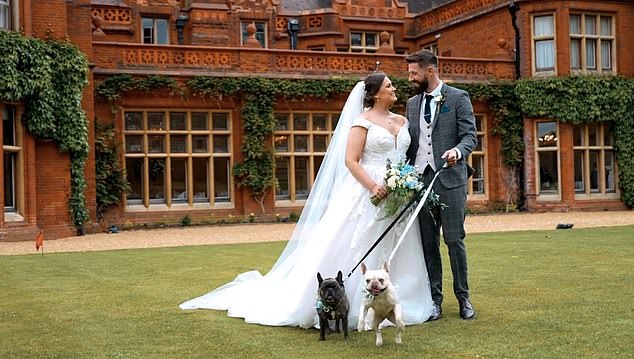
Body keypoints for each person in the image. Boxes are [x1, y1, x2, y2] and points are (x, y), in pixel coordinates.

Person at [180, 73, 434, 329]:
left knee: (398, 245)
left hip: (400, 191)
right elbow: (350, 160)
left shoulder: (402, 120)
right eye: (388, 86)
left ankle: (398, 302)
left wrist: (405, 181)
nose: (394, 89)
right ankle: (357, 304)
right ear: (376, 93)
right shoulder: (362, 122)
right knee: (357, 242)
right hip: (368, 190)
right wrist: (373, 186)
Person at [404, 50, 478, 321]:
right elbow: (410, 142)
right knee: (428, 243)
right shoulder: (412, 103)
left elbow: (471, 136)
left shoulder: (458, 98)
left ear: (430, 71)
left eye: (414, 73)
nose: (411, 77)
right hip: (420, 181)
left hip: (450, 180)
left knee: (454, 240)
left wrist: (458, 152)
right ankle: (434, 301)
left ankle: (463, 298)